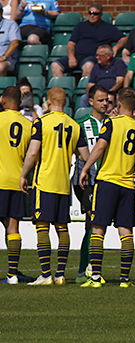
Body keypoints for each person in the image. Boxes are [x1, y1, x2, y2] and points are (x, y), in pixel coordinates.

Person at [79, 88, 135, 288]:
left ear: (119, 103)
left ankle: (95, 278)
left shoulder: (111, 122)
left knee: (98, 229)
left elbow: (100, 147)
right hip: (127, 185)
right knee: (125, 231)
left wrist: (86, 168)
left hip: (107, 182)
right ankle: (125, 279)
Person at [19, 88, 89, 286]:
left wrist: (24, 174)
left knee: (42, 226)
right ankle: (60, 274)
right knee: (62, 227)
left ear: (48, 102)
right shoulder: (75, 126)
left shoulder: (41, 122)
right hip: (63, 184)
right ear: (65, 102)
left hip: (45, 181)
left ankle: (45, 274)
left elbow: (33, 153)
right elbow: (84, 156)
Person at [71, 85, 109, 284]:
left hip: (107, 179)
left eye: (107, 100)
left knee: (97, 224)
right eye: (101, 100)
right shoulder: (80, 124)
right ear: (91, 101)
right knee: (92, 222)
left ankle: (88, 267)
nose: (105, 103)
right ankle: (84, 269)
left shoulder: (112, 123)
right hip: (87, 181)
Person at [0, 87, 31, 284]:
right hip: (17, 181)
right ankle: (12, 274)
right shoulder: (27, 125)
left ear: (3, 100)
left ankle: (12, 273)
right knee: (13, 227)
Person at [51, 3, 127, 77]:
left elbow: (124, 38)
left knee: (88, 66)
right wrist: (71, 57)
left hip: (93, 57)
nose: (92, 15)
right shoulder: (80, 26)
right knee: (55, 65)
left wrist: (116, 47)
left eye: (95, 14)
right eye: (90, 13)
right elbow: (71, 44)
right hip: (77, 56)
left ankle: (85, 88)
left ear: (100, 15)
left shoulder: (108, 28)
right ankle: (61, 89)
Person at [0, 5, 20, 76]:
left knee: (0, 67)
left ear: (1, 12)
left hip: (7, 59)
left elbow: (15, 43)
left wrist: (4, 57)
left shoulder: (10, 24)